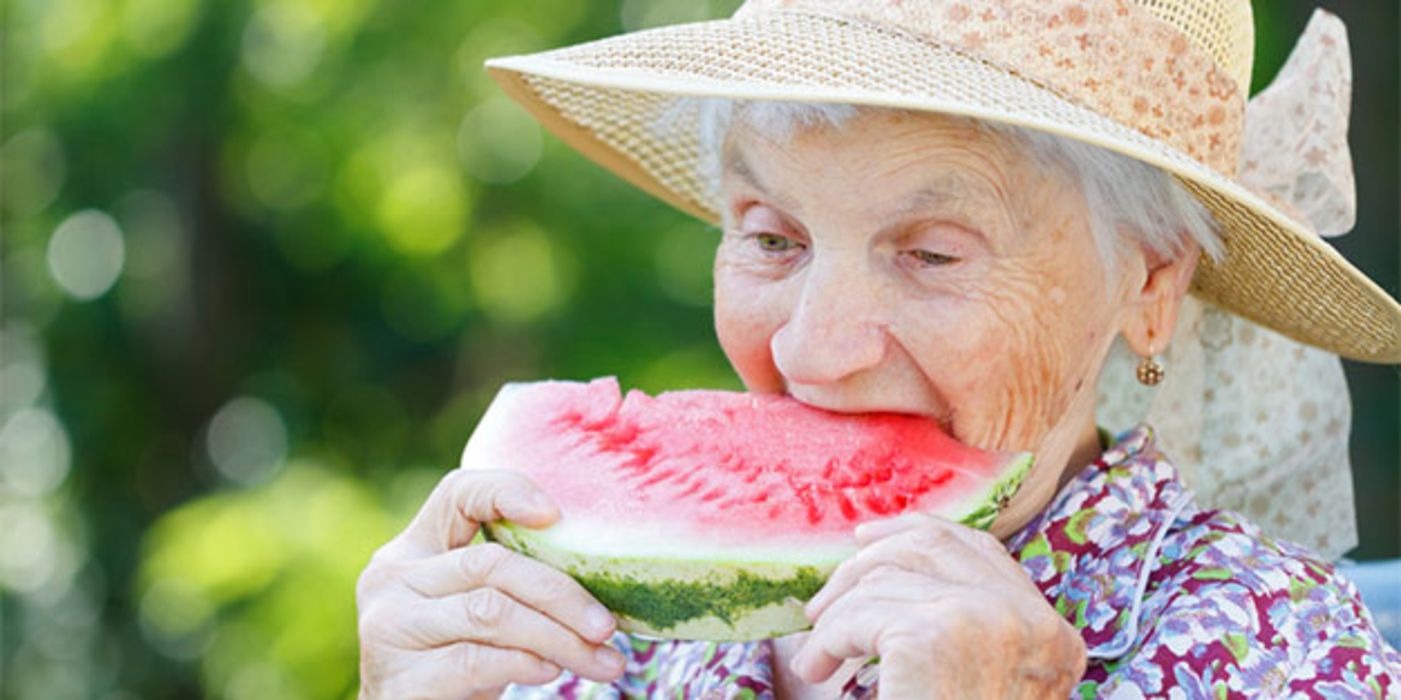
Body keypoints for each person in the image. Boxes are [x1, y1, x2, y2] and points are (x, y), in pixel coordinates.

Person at [355, 1, 1401, 697]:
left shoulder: (1276, 649)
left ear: (1151, 283)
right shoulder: (589, 624)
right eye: (773, 237)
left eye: (932, 254)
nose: (816, 349)